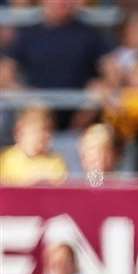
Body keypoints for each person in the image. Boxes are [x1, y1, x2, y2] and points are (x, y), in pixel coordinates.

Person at [0, 0, 109, 130]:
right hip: (37, 121)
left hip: (82, 126)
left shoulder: (90, 33)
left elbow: (110, 68)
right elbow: (5, 72)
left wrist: (99, 89)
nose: (61, 2)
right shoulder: (28, 33)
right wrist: (26, 95)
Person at [0, 104, 69, 185]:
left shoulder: (56, 161)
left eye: (49, 130)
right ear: (19, 131)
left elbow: (60, 188)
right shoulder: (4, 159)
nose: (46, 136)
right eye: (39, 130)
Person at [76, 121, 123, 185]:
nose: (91, 159)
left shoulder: (125, 188)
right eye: (86, 153)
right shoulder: (76, 190)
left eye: (99, 151)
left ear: (113, 154)